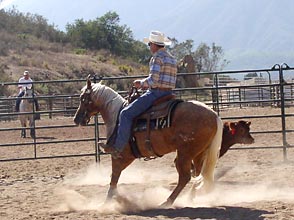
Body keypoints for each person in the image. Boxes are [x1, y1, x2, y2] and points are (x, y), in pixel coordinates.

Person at [101, 30, 177, 158]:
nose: (149, 47)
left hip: (156, 94)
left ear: (153, 44)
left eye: (149, 45)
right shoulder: (172, 59)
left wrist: (140, 83)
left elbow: (153, 80)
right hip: (169, 93)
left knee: (125, 114)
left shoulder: (157, 58)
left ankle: (118, 148)